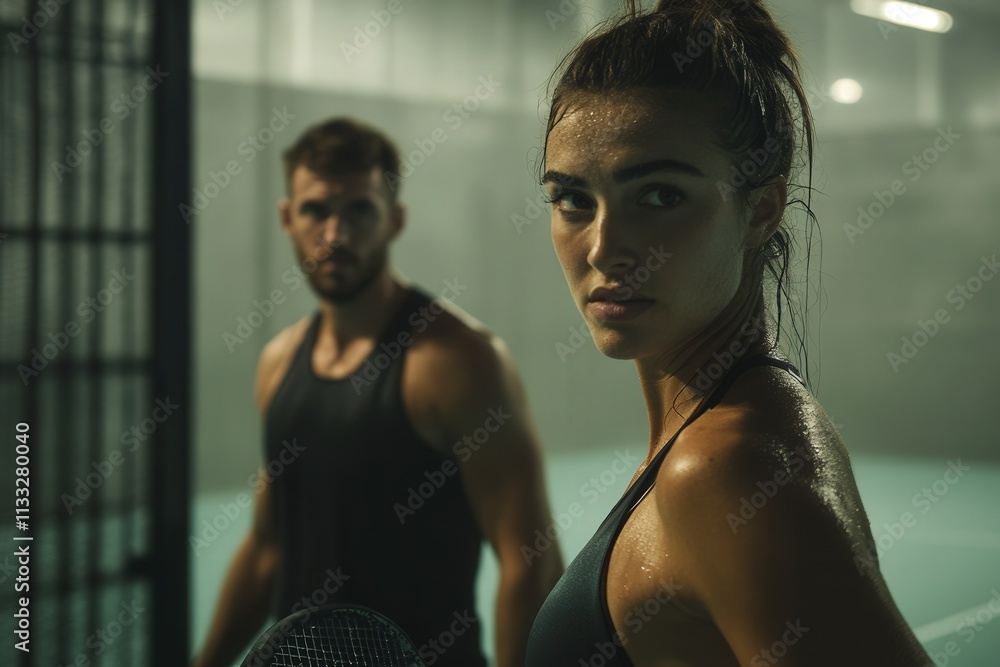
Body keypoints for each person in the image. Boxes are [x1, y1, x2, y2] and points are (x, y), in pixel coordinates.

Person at [525, 1, 933, 665]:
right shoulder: (727, 434)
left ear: (761, 209)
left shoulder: (728, 470)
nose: (603, 247)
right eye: (573, 198)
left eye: (658, 195)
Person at [192, 118, 563, 667]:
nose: (336, 234)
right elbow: (269, 548)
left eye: (359, 210)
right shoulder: (277, 364)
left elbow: (528, 563)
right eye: (317, 209)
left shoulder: (460, 362)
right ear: (287, 219)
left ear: (394, 221)